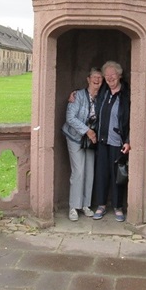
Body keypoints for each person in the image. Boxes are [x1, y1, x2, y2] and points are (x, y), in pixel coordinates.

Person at [61, 67, 103, 221]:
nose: (97, 80)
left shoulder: (102, 97)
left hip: (91, 140)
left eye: (100, 77)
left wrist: (92, 134)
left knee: (89, 172)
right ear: (88, 79)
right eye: (94, 76)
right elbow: (70, 118)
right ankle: (74, 206)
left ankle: (85, 204)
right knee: (78, 171)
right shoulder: (77, 95)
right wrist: (88, 131)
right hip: (75, 137)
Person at [93, 61, 130, 222]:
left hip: (118, 142)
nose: (109, 78)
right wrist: (74, 93)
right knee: (102, 174)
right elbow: (89, 94)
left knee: (117, 176)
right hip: (102, 141)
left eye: (112, 75)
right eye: (106, 76)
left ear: (119, 75)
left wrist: (128, 141)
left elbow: (132, 120)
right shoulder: (104, 92)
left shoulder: (126, 94)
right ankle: (101, 205)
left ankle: (117, 207)